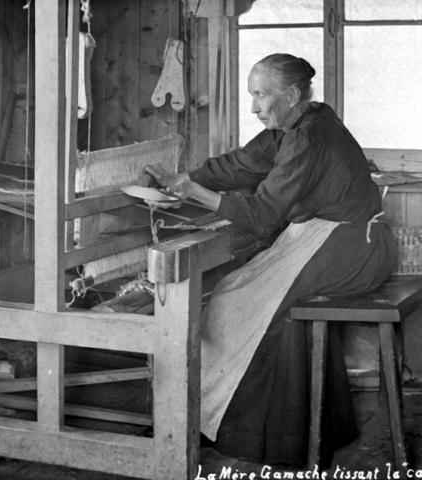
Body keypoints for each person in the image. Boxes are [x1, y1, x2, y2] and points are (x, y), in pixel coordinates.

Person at [145, 53, 397, 467]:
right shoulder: (292, 126)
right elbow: (238, 165)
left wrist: (193, 193)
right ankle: (238, 423)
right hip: (326, 237)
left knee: (239, 305)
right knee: (234, 291)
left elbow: (263, 216)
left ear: (293, 95)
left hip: (353, 247)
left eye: (261, 95)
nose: (254, 107)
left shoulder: (309, 136)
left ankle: (258, 437)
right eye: (251, 95)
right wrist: (182, 179)